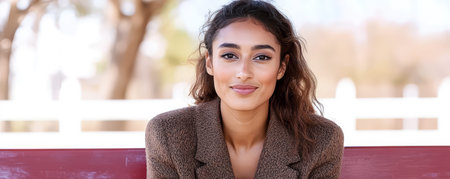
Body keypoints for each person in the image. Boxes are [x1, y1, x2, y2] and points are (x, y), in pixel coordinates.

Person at [145, 0, 344, 178]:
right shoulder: (168, 134)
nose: (243, 72)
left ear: (281, 67)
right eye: (230, 56)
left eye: (261, 57)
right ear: (210, 63)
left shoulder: (321, 140)